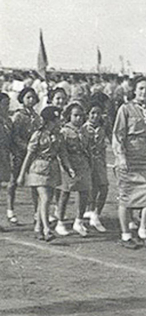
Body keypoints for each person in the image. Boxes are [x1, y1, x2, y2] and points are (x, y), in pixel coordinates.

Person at [112, 75, 146, 250]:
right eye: (141, 88)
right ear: (134, 90)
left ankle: (143, 232)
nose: (144, 92)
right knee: (126, 197)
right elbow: (118, 135)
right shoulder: (125, 109)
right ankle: (126, 235)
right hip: (129, 156)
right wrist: (121, 157)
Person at [17, 106, 73, 242]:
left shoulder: (59, 135)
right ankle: (47, 229)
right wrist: (21, 174)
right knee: (46, 198)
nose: (59, 121)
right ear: (48, 121)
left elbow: (63, 154)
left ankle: (38, 227)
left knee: (45, 200)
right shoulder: (38, 135)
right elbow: (29, 155)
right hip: (38, 169)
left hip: (53, 169)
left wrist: (69, 168)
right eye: (56, 119)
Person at [55, 103, 92, 237]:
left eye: (81, 116)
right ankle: (60, 221)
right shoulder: (65, 131)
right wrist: (67, 167)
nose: (79, 118)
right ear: (69, 116)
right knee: (65, 194)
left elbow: (88, 150)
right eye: (75, 115)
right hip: (68, 165)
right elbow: (62, 152)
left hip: (83, 165)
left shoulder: (85, 130)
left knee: (84, 192)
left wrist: (90, 164)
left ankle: (79, 220)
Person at [8, 87, 42, 226]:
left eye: (33, 97)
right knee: (14, 181)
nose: (31, 100)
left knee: (35, 183)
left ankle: (36, 212)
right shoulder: (18, 115)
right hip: (19, 152)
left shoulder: (37, 116)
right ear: (22, 99)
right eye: (28, 97)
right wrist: (26, 147)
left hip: (32, 153)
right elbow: (15, 136)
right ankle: (10, 209)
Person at [82, 102, 109, 232]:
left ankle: (96, 213)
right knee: (91, 190)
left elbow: (103, 147)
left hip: (99, 162)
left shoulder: (101, 128)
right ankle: (90, 214)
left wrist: (103, 161)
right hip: (87, 162)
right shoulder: (84, 129)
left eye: (98, 113)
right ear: (87, 114)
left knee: (104, 187)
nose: (95, 116)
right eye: (92, 113)